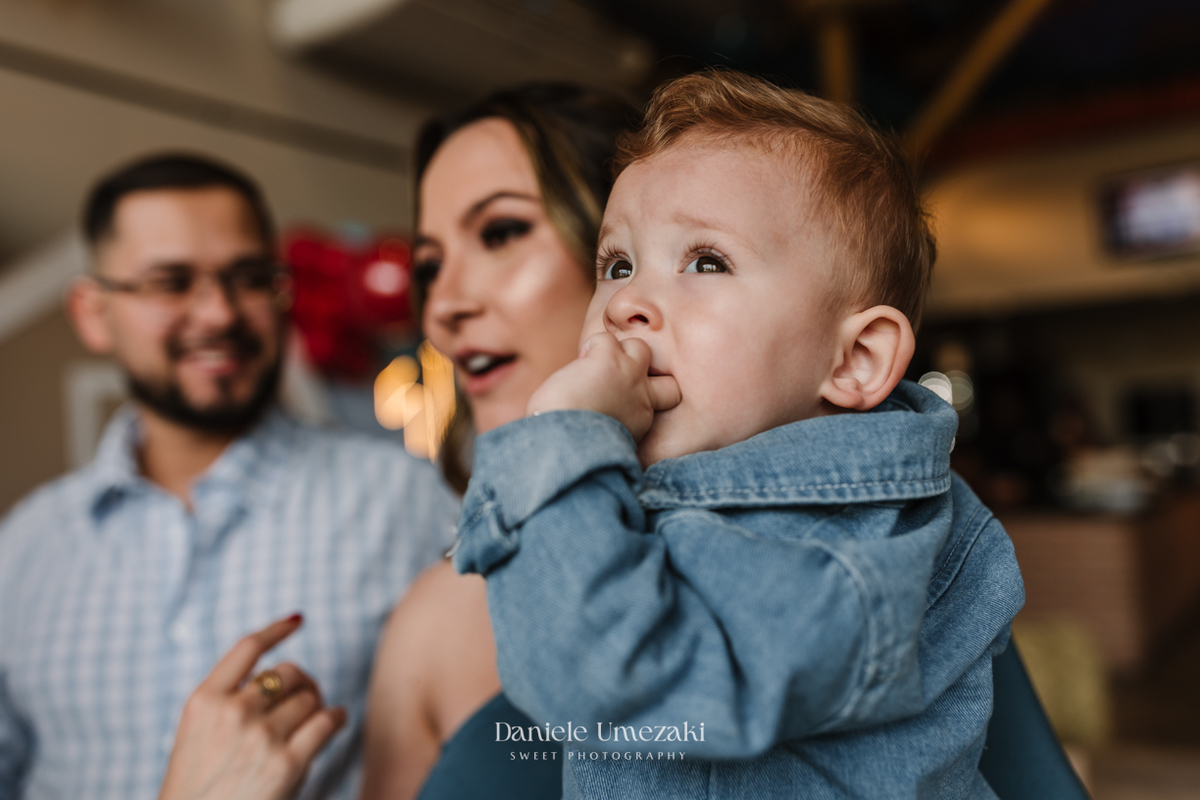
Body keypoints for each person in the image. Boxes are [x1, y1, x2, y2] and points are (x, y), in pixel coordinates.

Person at [450, 71, 1025, 798]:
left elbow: (605, 681)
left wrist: (567, 437)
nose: (627, 302)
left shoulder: (842, 543)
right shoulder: (687, 491)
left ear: (855, 360)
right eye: (617, 264)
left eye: (706, 261)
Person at [0, 154, 459, 800]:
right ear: (93, 313)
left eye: (248, 278)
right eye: (171, 281)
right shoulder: (23, 549)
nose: (218, 314)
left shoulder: (406, 505)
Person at [359, 84, 632, 800]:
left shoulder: (861, 538)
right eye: (429, 265)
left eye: (501, 232)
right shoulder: (437, 619)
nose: (444, 308)